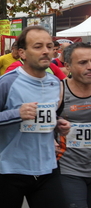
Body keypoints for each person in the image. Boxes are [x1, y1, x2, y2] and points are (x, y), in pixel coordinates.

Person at [0, 26, 70, 208]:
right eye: (38, 46)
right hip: (11, 172)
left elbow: (46, 118)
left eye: (49, 46)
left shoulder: (55, 83)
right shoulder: (6, 82)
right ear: (22, 53)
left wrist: (57, 124)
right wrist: (16, 114)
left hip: (47, 170)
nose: (46, 51)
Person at [57, 42, 91, 208]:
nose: (90, 67)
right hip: (69, 170)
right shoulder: (59, 91)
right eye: (83, 62)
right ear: (68, 66)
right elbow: (41, 125)